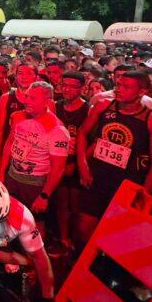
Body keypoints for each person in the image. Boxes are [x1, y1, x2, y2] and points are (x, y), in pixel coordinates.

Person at [76, 71, 152, 244]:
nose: (119, 89)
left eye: (126, 87)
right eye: (118, 85)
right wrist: (83, 166)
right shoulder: (103, 105)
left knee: (115, 235)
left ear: (142, 91)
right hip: (96, 177)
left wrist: (144, 194)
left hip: (127, 184)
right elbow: (82, 133)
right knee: (84, 227)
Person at [0, 82, 70, 215]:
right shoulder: (18, 117)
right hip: (12, 177)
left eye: (33, 98)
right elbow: (9, 143)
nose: (26, 101)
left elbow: (58, 168)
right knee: (7, 217)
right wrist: (2, 172)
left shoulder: (57, 130)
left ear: (46, 102)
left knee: (34, 223)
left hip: (35, 185)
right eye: (27, 96)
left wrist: (44, 196)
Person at [54, 72, 89, 249]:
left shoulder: (88, 110)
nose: (67, 89)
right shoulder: (56, 106)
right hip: (58, 163)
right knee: (61, 203)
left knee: (76, 206)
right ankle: (63, 237)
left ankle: (76, 240)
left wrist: (78, 164)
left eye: (72, 86)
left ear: (82, 88)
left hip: (78, 166)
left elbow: (94, 140)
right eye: (64, 85)